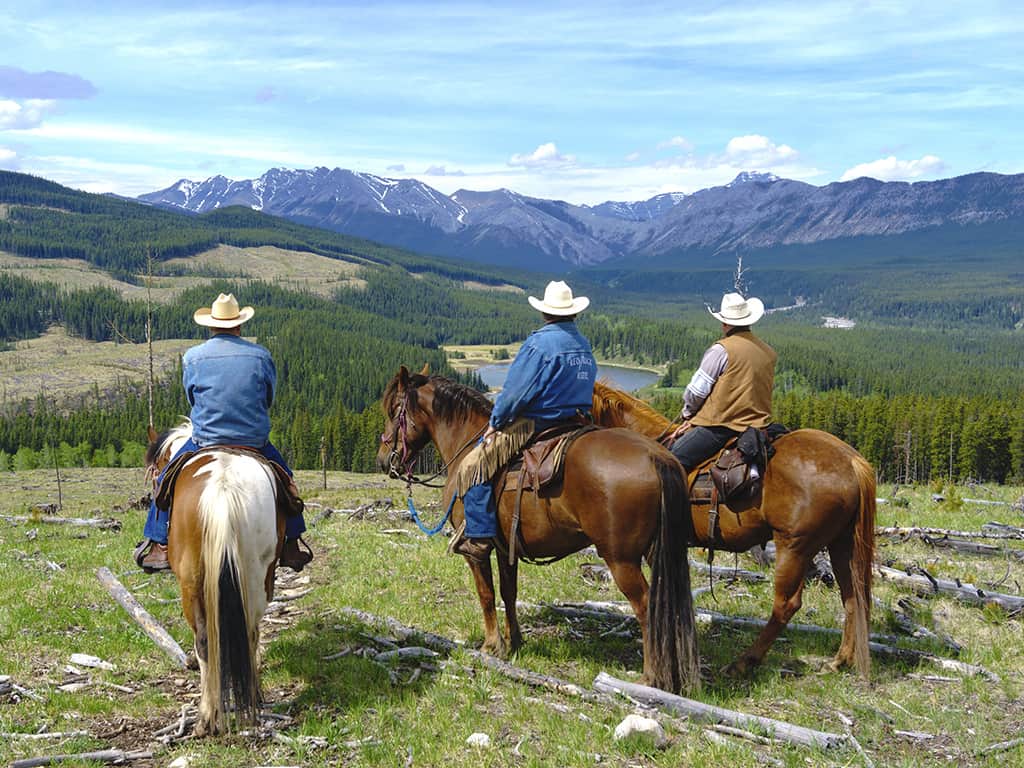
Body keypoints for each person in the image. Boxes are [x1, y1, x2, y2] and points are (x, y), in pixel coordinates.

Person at [135, 293, 312, 572]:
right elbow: (268, 397)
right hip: (253, 442)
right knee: (286, 482)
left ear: (211, 326)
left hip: (205, 440)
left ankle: (159, 544)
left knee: (166, 480)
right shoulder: (261, 355)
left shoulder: (193, 357)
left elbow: (192, 397)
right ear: (239, 325)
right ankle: (291, 543)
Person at [454, 280, 596, 562]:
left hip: (537, 423)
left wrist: (497, 421)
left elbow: (516, 393)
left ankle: (479, 537)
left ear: (546, 313)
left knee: (474, 464)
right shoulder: (582, 342)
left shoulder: (539, 344)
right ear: (573, 313)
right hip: (578, 421)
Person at [669, 292, 777, 473]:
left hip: (720, 428)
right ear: (749, 320)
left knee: (668, 462)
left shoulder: (720, 350)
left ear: (724, 323)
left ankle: (674, 502)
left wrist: (688, 415)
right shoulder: (768, 352)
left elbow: (696, 392)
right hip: (759, 427)